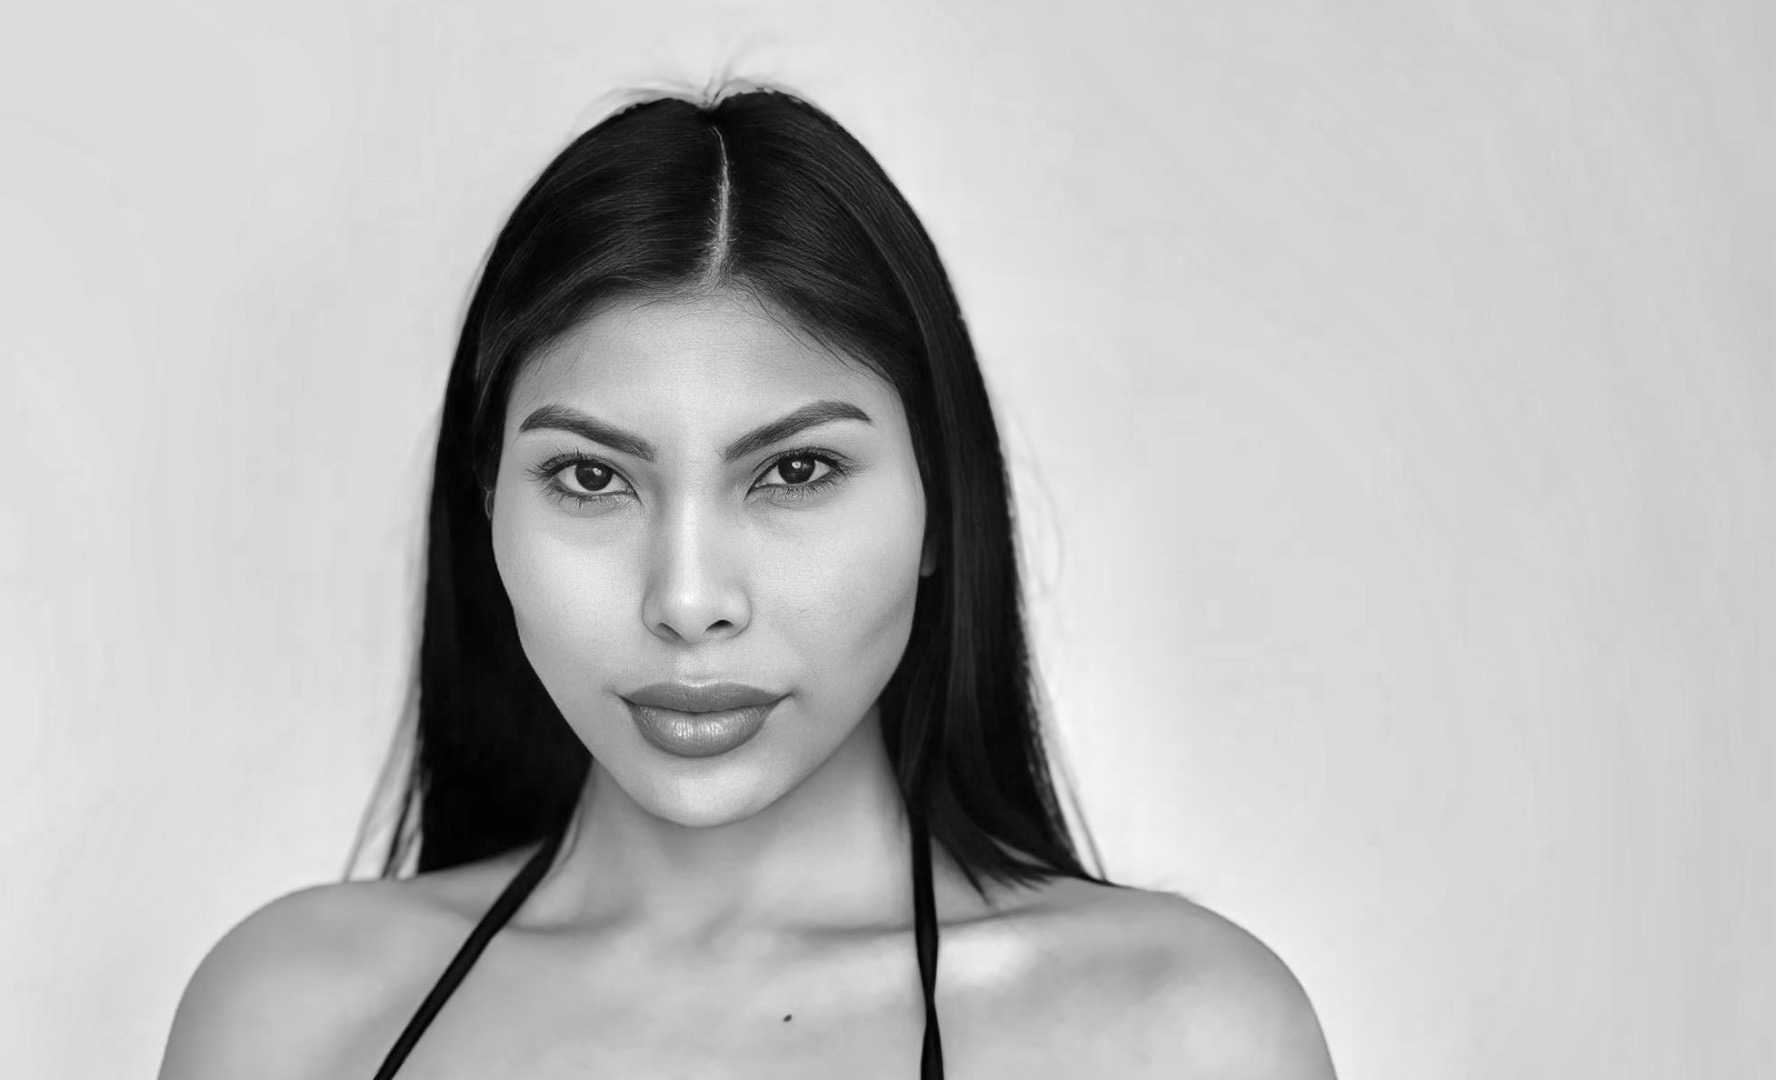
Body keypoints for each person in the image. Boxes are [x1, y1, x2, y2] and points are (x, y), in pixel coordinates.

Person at [156, 86, 1337, 1079]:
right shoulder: (287, 1018)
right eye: (589, 478)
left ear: (940, 505)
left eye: (796, 471)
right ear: (488, 510)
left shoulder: (1184, 1036)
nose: (686, 599)